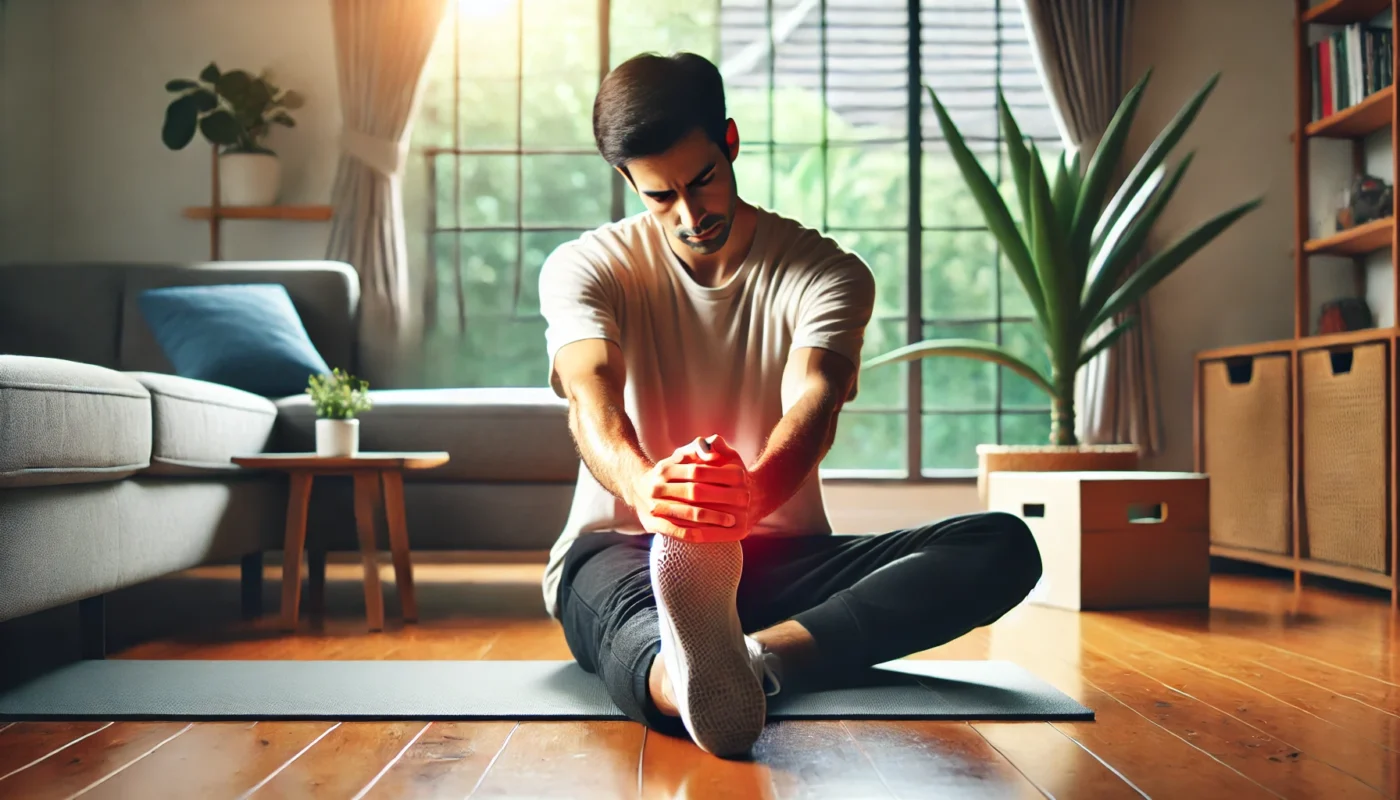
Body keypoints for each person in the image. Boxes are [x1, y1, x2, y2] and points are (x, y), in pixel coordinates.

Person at [538, 51, 1043, 758]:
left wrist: (748, 499)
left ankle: (752, 661)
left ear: (731, 142)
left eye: (703, 180)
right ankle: (684, 678)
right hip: (626, 547)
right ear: (627, 181)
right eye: (659, 196)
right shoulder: (584, 267)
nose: (688, 213)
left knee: (1000, 546)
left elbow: (816, 400)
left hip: (776, 555)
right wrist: (649, 491)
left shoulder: (826, 273)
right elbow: (591, 398)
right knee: (633, 622)